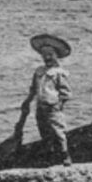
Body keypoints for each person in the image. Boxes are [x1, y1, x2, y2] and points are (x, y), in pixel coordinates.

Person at [21, 34, 73, 166]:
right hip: (41, 106)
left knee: (58, 131)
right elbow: (33, 88)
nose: (47, 57)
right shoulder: (39, 71)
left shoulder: (59, 73)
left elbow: (65, 92)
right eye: (44, 54)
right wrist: (27, 101)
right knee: (44, 131)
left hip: (53, 107)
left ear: (56, 55)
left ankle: (65, 155)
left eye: (50, 54)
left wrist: (59, 104)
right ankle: (50, 157)